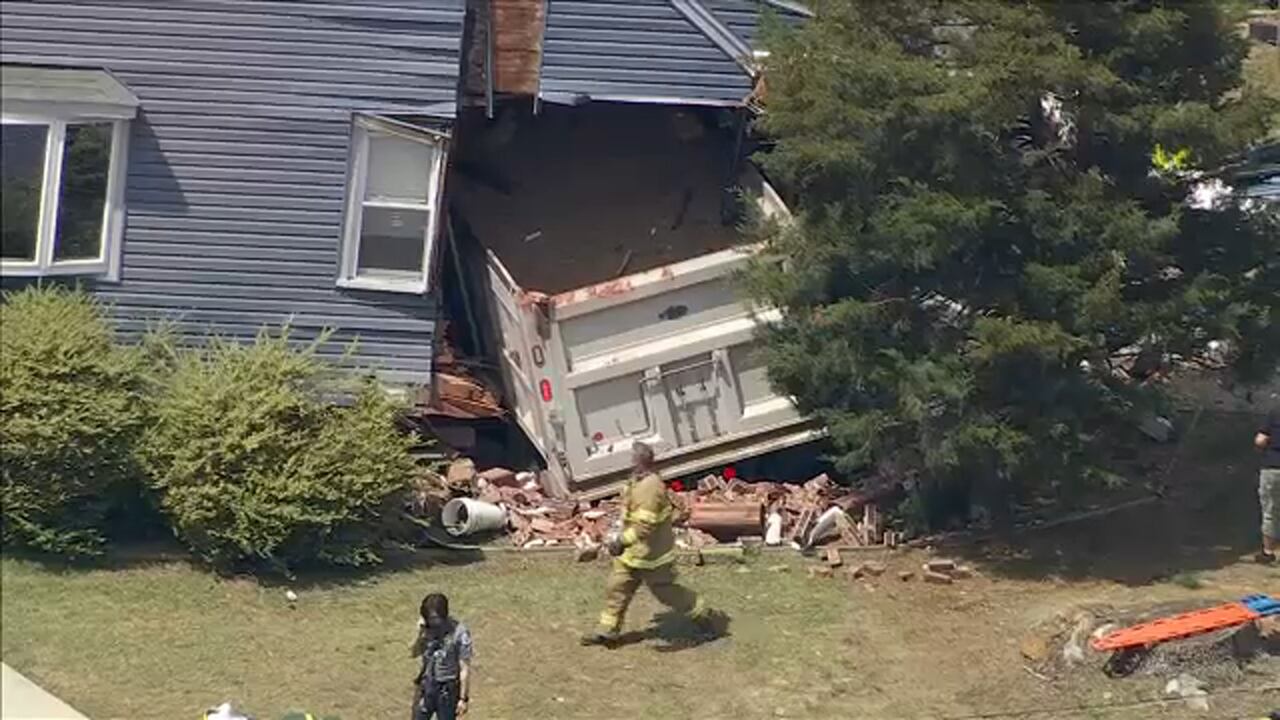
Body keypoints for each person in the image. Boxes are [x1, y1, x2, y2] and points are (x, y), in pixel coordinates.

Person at [580, 442, 723, 646]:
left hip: (653, 556)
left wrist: (620, 541)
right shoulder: (635, 482)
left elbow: (643, 527)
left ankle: (704, 618)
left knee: (667, 593)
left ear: (638, 462)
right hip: (633, 554)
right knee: (617, 587)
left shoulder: (650, 488)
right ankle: (607, 631)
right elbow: (629, 514)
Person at [410, 593, 472, 719]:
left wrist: (463, 698)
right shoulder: (426, 630)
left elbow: (464, 668)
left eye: (435, 618)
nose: (432, 622)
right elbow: (413, 653)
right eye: (429, 618)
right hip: (427, 685)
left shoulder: (459, 632)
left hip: (447, 690)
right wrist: (420, 634)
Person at [1254, 404, 1279, 564]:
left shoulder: (1275, 412)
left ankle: (1268, 552)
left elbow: (1260, 440)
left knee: (1270, 510)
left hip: (1274, 467)